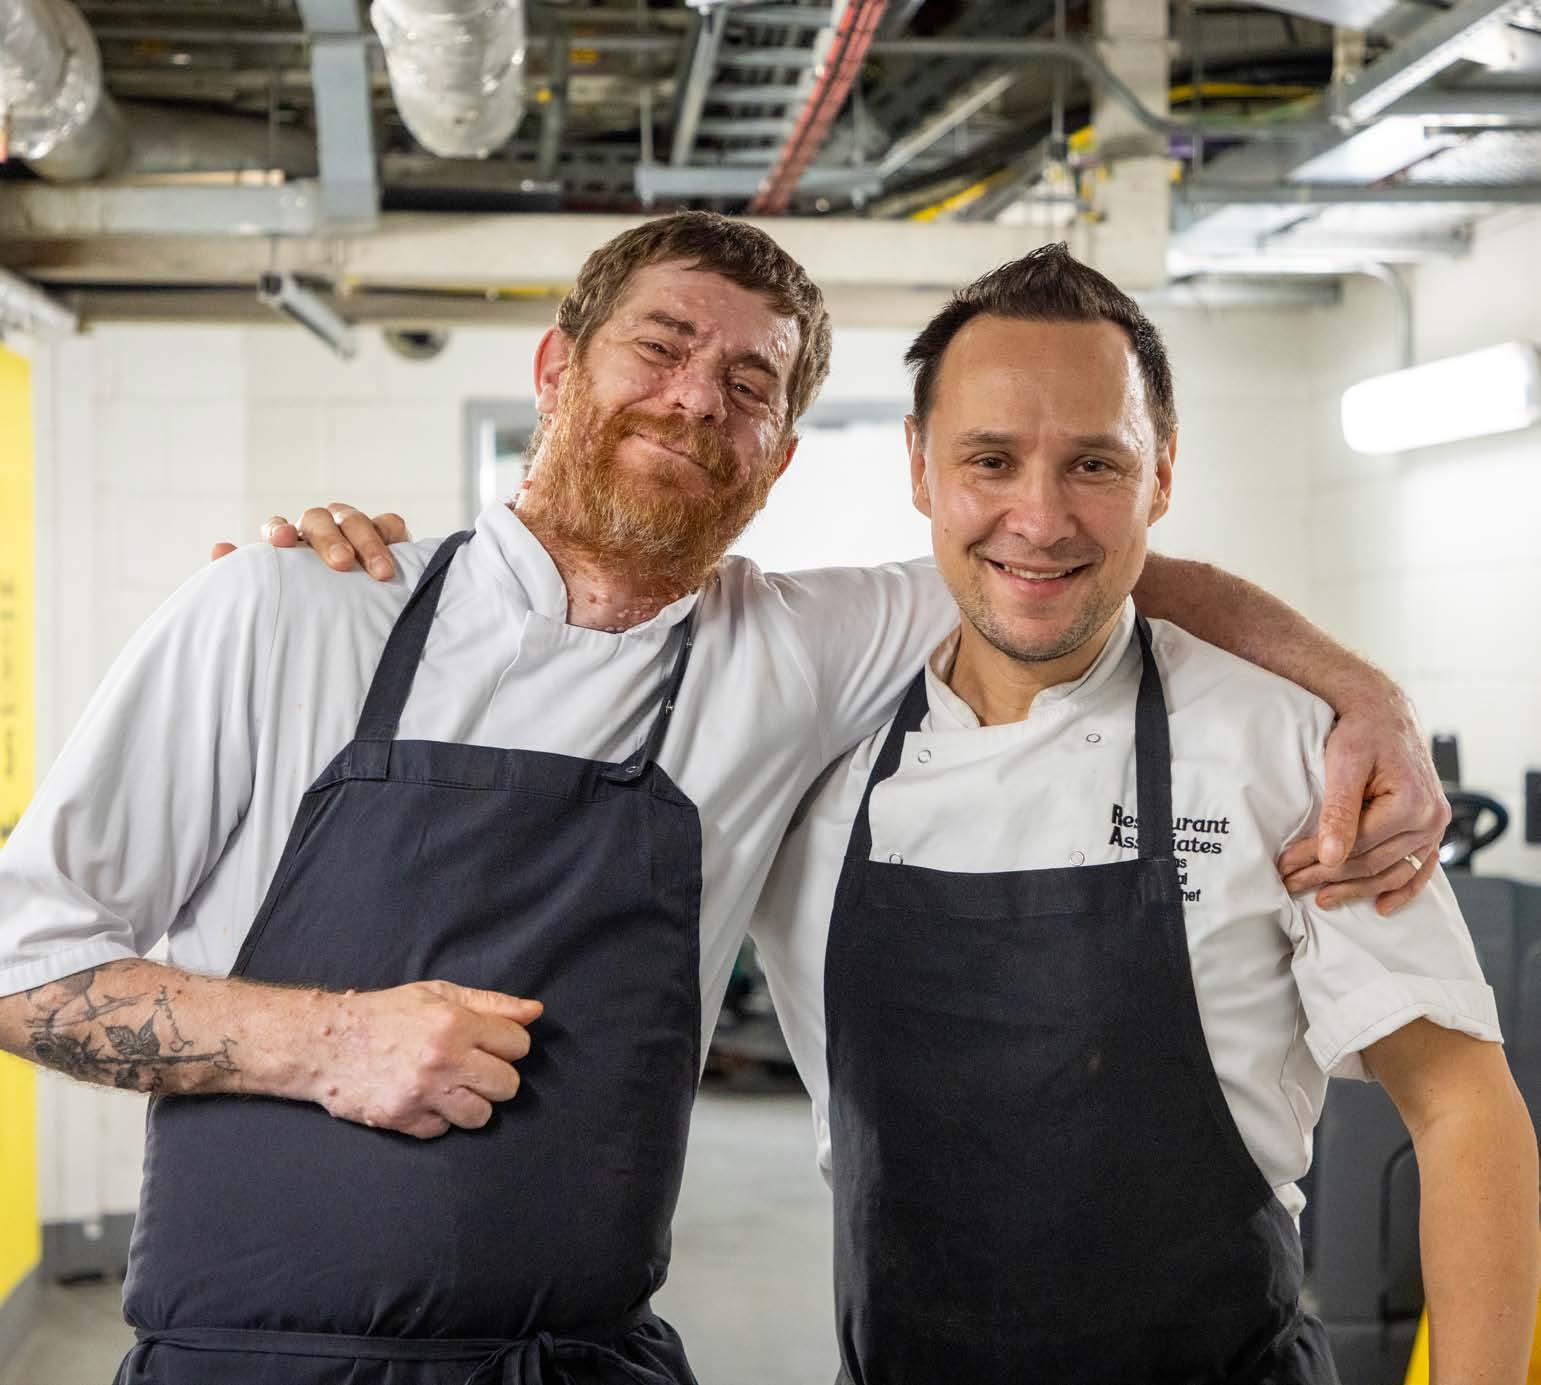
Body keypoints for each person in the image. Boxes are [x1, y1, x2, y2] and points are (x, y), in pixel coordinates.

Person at [0, 214, 1447, 1385]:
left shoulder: (788, 646)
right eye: (660, 345)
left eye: (751, 386)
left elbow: (1068, 555)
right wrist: (323, 1042)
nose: (697, 397)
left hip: (588, 1358)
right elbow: (19, 961)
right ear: (555, 368)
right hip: (253, 1361)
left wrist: (1363, 694)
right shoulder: (290, 611)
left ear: (780, 455)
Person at [742, 247, 1538, 1383]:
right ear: (918, 466)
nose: (1039, 516)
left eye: (1093, 464)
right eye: (989, 459)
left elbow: (1461, 1105)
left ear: (1160, 475)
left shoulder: (1285, 747)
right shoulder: (812, 747)